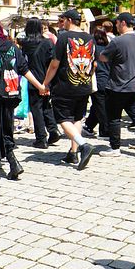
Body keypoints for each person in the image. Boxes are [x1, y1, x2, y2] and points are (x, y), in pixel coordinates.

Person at [0, 21, 46, 180]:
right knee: (6, 126)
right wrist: (39, 86)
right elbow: (25, 70)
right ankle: (11, 160)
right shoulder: (13, 48)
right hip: (9, 92)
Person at [99, 12, 135, 158]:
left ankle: (115, 148)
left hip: (118, 85)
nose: (116, 25)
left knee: (114, 117)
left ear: (123, 23)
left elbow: (103, 58)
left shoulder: (118, 41)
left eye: (117, 23)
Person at [41, 9, 96, 169]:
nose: (61, 23)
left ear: (69, 20)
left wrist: (45, 83)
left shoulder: (64, 37)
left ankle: (83, 145)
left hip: (65, 86)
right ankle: (73, 152)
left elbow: (54, 64)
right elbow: (94, 64)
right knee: (77, 118)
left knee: (63, 118)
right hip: (84, 85)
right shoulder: (90, 37)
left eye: (62, 20)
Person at [21, 18, 60, 149]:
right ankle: (53, 130)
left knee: (36, 109)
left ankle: (41, 138)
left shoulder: (25, 43)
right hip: (47, 77)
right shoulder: (48, 42)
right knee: (46, 106)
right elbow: (52, 61)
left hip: (33, 79)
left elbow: (24, 62)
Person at [83, 27, 110, 138]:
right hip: (109, 79)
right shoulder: (109, 48)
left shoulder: (93, 49)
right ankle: (89, 125)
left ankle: (105, 131)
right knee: (99, 105)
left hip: (97, 79)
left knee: (100, 106)